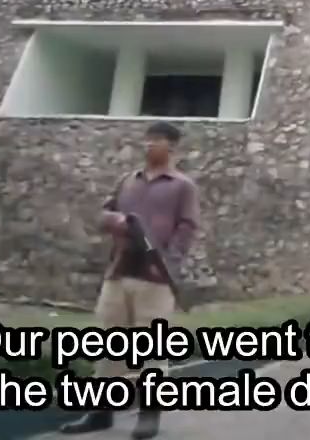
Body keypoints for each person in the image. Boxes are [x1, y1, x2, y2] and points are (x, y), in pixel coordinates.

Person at [60, 121, 199, 439]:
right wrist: (118, 222)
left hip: (155, 278)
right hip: (120, 270)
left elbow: (187, 227)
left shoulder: (183, 186)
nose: (149, 144)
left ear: (172, 146)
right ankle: (100, 412)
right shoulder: (127, 181)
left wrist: (167, 261)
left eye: (157, 140)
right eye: (147, 139)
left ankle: (149, 415)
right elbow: (103, 214)